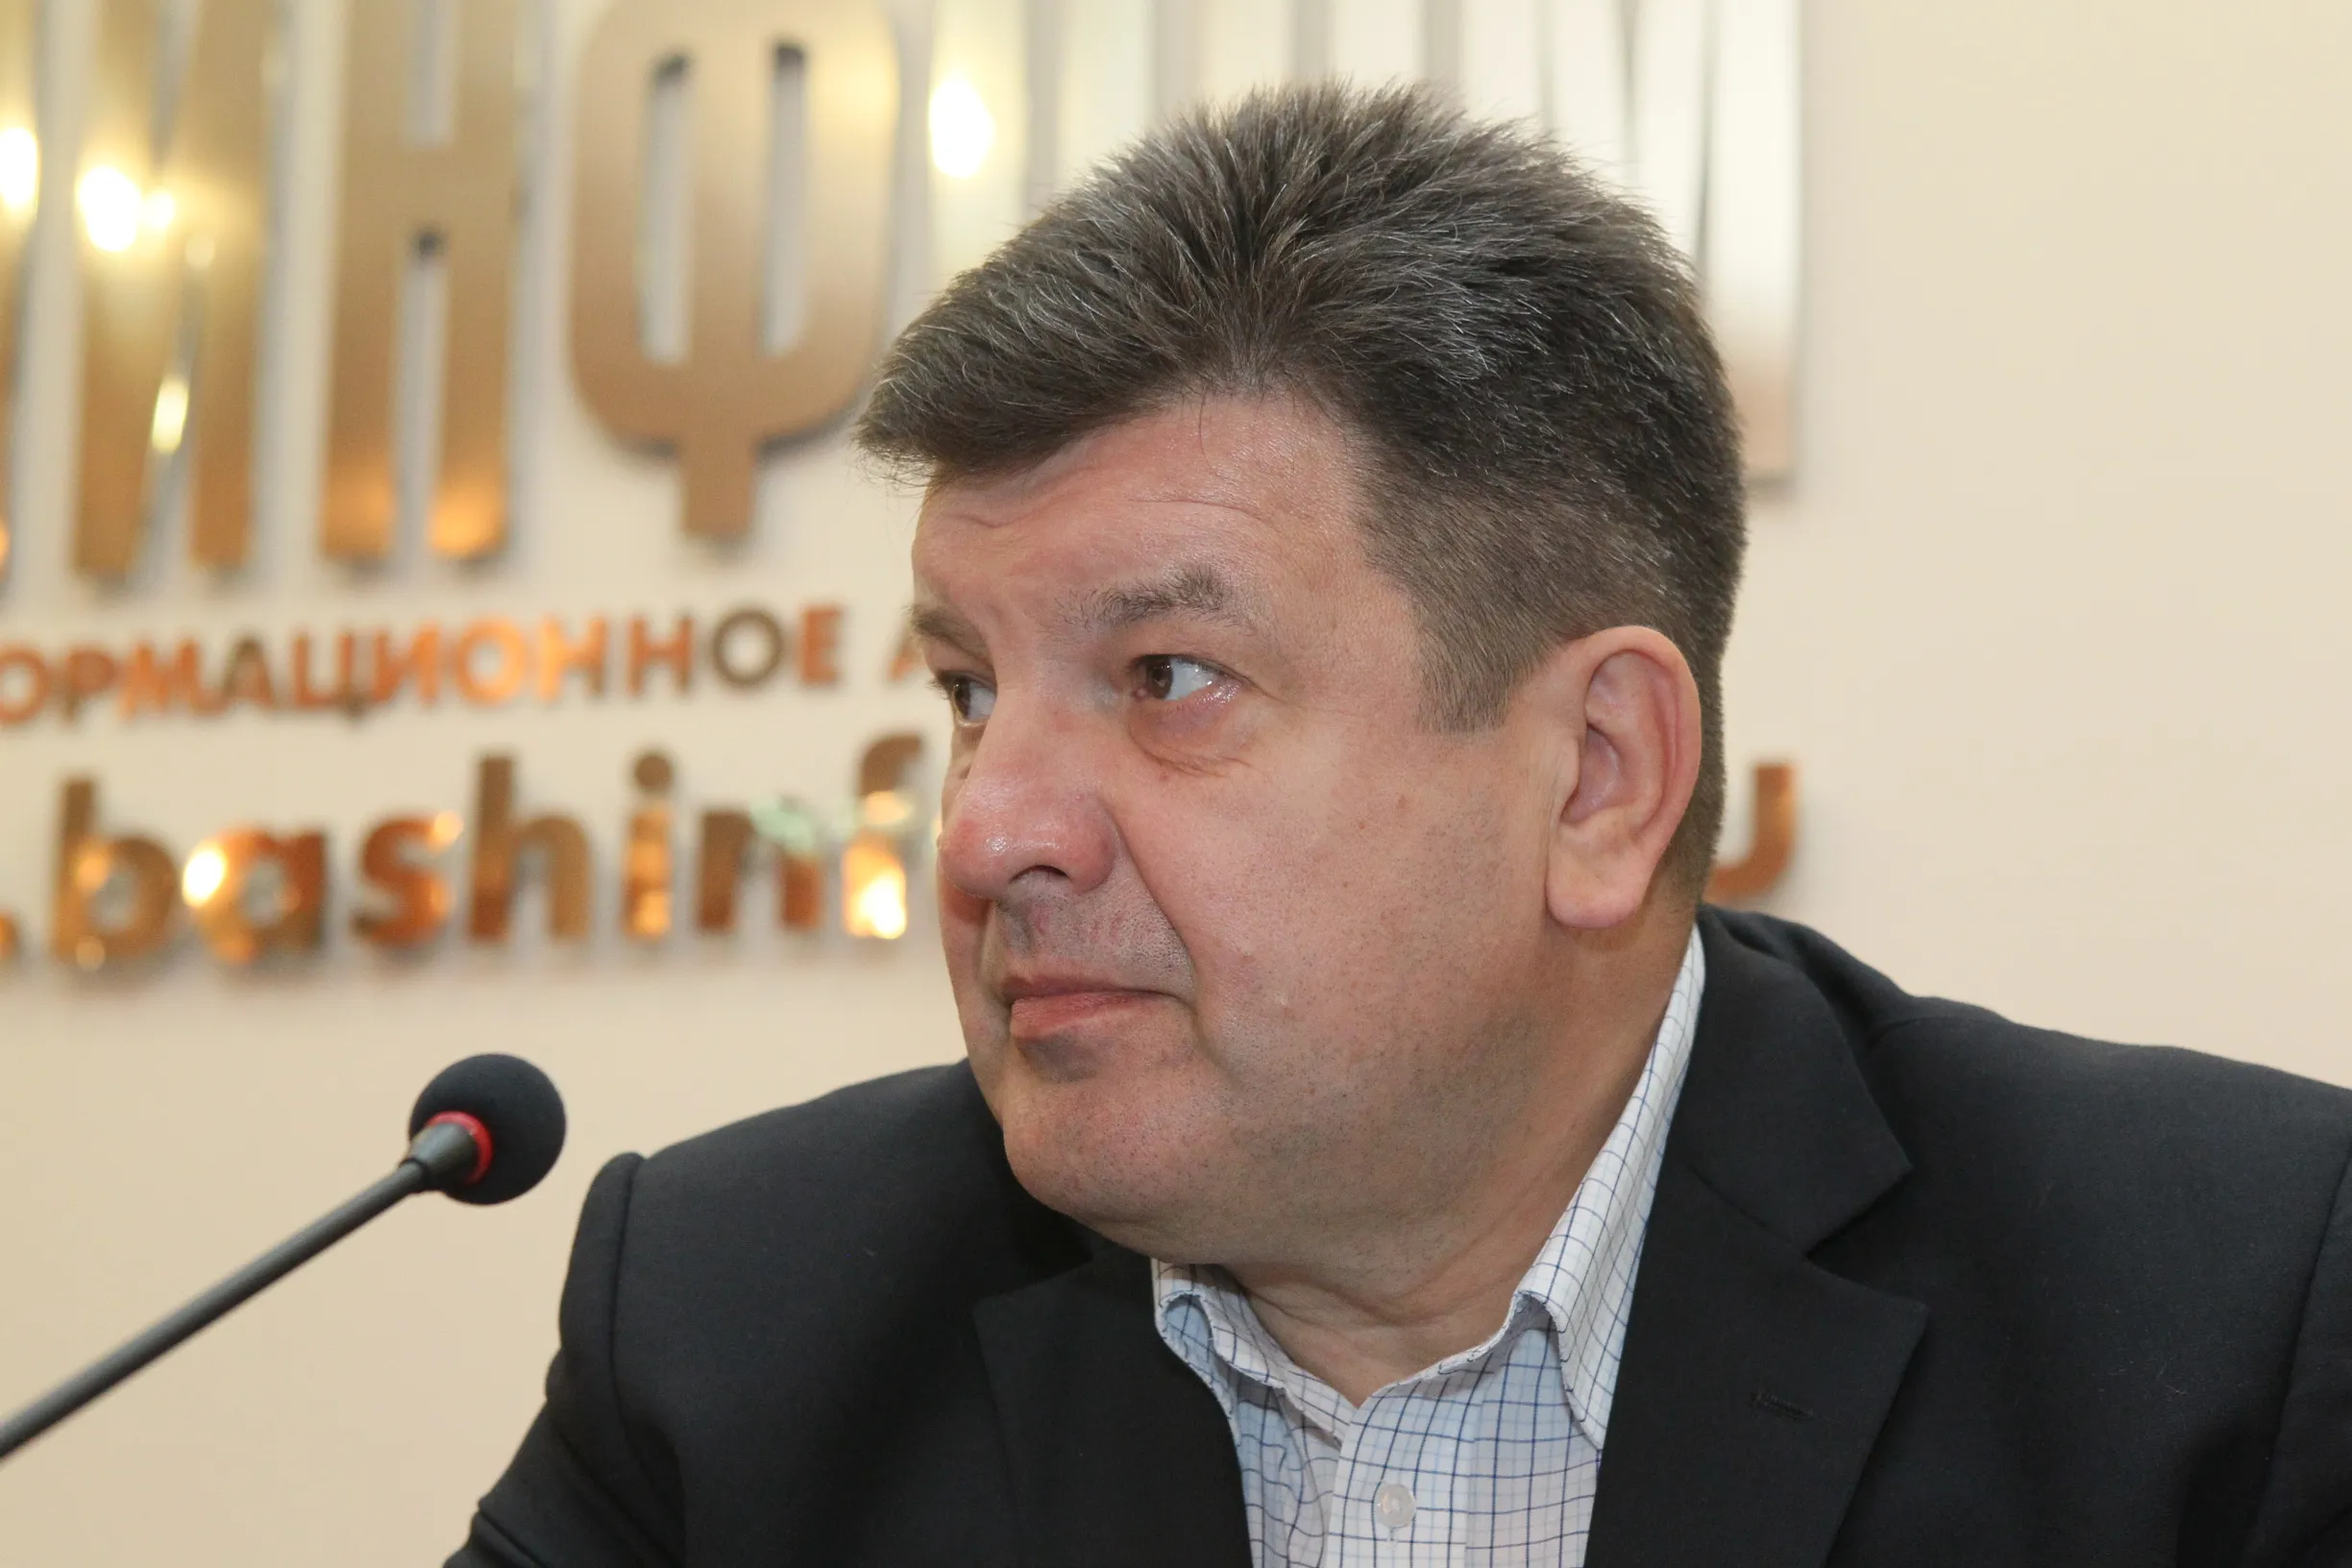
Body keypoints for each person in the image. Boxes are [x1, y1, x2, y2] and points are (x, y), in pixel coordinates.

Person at [448, 84, 2352, 1567]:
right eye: (966, 690)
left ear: (1597, 779)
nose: (985, 833)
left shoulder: (2224, 1320)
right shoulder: (734, 1334)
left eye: (1168, 678)